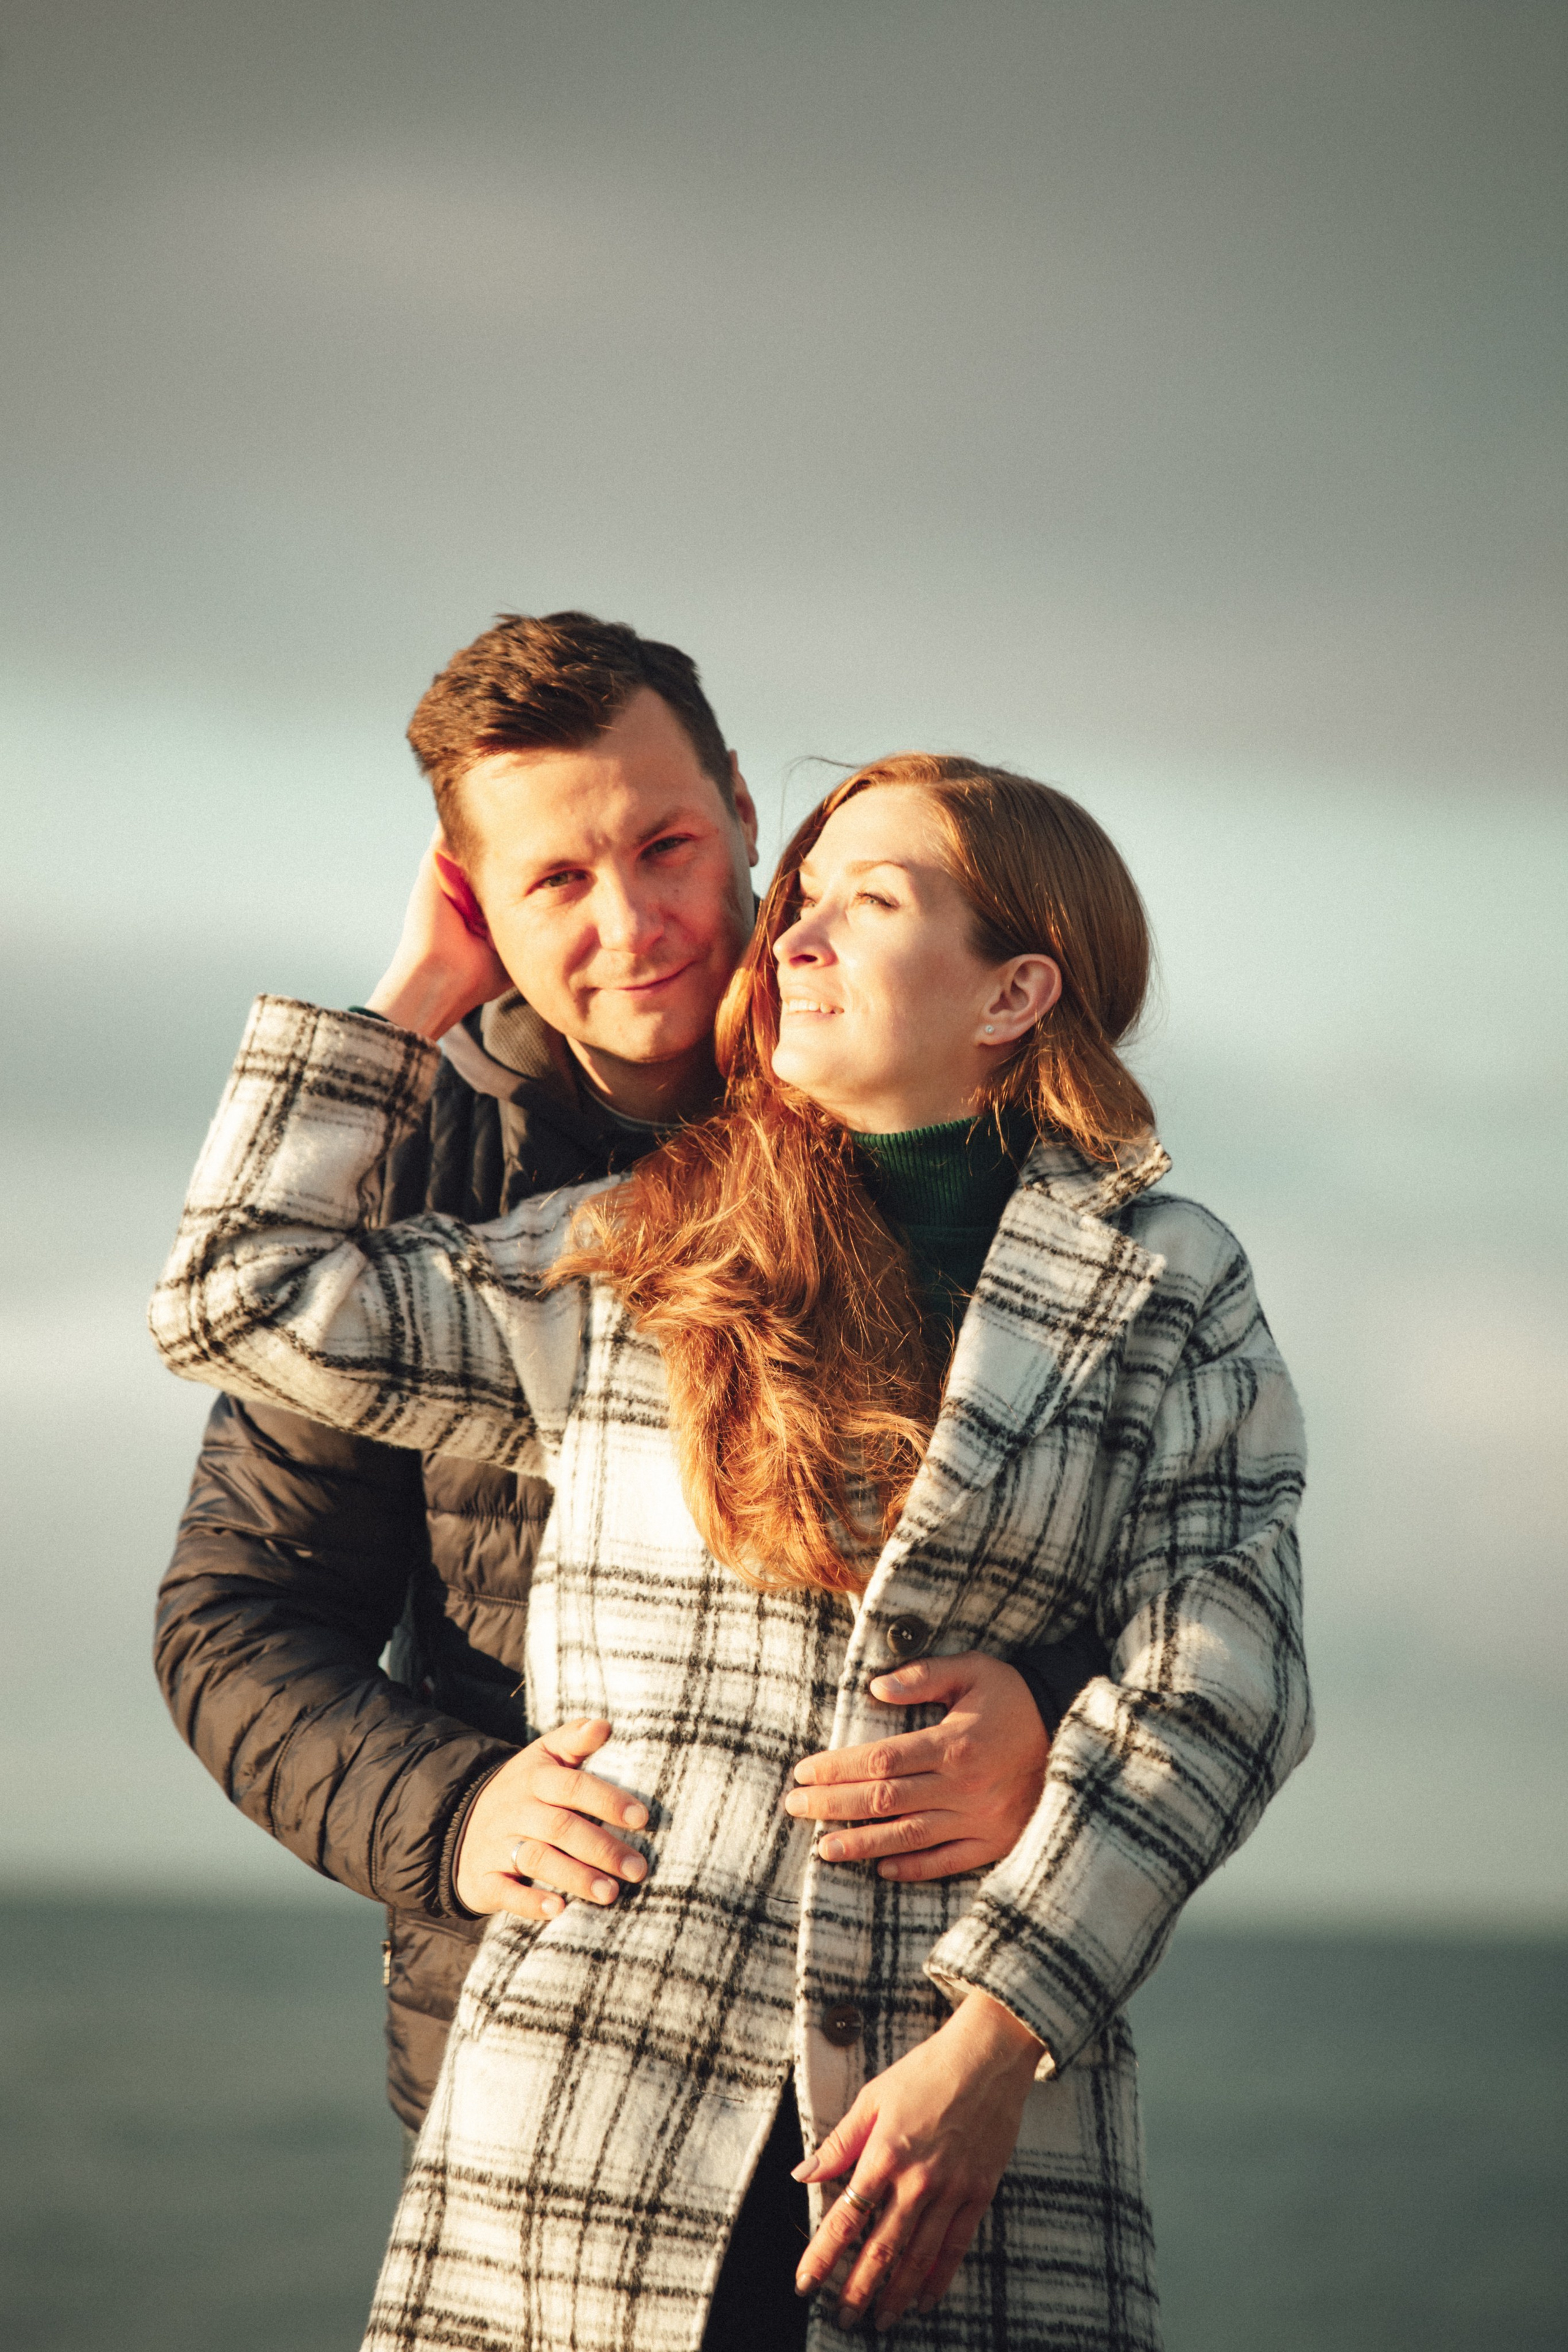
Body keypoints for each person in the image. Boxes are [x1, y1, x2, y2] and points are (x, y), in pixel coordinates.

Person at [151, 750, 1310, 2350]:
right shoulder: (641, 1245)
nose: (795, 936)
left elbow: (1225, 1682)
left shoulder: (1168, 1283)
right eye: (803, 901)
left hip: (964, 2136)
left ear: (1014, 990)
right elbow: (236, 1299)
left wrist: (999, 2042)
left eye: (868, 903)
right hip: (588, 2129)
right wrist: (414, 994)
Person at [154, 612, 1099, 2143]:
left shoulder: (947, 1121)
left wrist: (1043, 1717)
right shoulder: (397, 1179)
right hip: (548, 2059)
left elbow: (1153, 1575)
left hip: (908, 2053)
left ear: (744, 811)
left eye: (665, 847)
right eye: (553, 881)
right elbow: (237, 1614)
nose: (632, 923)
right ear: (474, 897)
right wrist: (451, 1811)